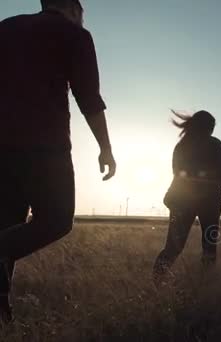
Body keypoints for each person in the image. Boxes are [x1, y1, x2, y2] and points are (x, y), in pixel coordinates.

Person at [0, 0, 116, 322]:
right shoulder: (74, 35)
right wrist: (105, 147)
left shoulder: (5, 27)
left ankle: (2, 316)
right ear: (73, 9)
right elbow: (89, 96)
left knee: (8, 230)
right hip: (44, 146)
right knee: (57, 219)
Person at [153, 110, 221, 284]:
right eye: (213, 126)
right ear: (208, 127)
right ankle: (206, 285)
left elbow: (177, 173)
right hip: (210, 201)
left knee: (173, 246)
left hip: (181, 200)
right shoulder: (215, 144)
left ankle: (156, 281)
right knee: (209, 247)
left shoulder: (181, 146)